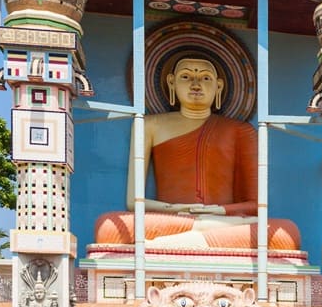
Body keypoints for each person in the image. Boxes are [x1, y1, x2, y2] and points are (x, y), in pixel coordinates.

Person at [94, 56, 300, 250]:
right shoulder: (149, 125)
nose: (195, 84)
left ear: (218, 86)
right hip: (173, 220)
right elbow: (134, 201)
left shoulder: (241, 131)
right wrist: (178, 210)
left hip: (224, 220)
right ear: (171, 82)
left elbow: (257, 206)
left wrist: (215, 211)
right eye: (186, 77)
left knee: (286, 232)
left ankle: (180, 242)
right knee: (108, 227)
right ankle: (200, 235)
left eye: (205, 78)